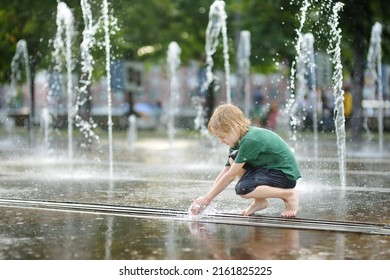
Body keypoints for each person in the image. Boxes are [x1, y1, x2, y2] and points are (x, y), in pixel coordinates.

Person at [189, 104, 301, 218]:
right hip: (269, 171)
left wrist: (208, 199)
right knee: (234, 158)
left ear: (234, 127)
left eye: (222, 136)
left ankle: (289, 195)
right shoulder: (236, 143)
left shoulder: (249, 140)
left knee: (243, 189)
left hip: (285, 175)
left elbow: (230, 176)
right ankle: (260, 201)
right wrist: (207, 197)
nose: (221, 141)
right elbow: (225, 172)